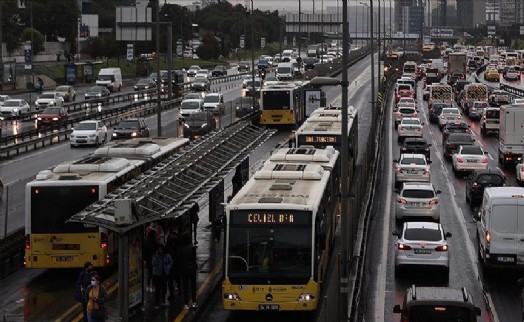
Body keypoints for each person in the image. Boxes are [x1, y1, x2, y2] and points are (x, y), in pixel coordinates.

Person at [151, 244, 173, 308]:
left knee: (164, 288)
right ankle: (156, 302)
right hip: (157, 275)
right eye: (159, 249)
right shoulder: (155, 256)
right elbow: (153, 264)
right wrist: (157, 257)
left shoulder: (167, 255)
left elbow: (171, 262)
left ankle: (163, 300)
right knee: (157, 288)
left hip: (164, 274)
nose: (160, 250)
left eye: (161, 249)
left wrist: (168, 268)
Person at [180, 233, 198, 310]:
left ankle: (186, 304)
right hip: (192, 268)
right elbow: (194, 258)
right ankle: (194, 302)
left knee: (185, 287)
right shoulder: (192, 248)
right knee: (193, 286)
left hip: (184, 269)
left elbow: (180, 259)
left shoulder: (181, 248)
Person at [165, 229, 183, 300]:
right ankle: (172, 293)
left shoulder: (178, 243)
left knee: (177, 279)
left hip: (176, 264)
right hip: (171, 265)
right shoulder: (169, 243)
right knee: (170, 280)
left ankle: (179, 290)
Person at [144, 225, 158, 293]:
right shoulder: (155, 243)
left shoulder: (147, 243)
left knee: (149, 273)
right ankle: (153, 286)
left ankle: (148, 286)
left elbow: (145, 253)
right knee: (153, 273)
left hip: (148, 260)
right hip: (154, 260)